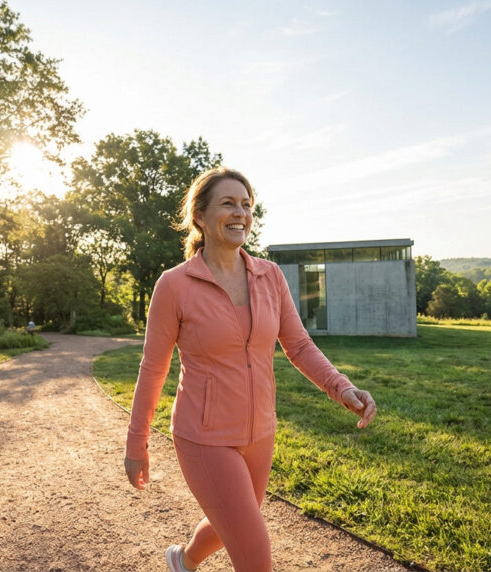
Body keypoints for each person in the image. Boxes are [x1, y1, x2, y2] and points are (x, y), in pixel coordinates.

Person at [124, 167, 377, 572]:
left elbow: (298, 344)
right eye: (228, 203)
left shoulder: (269, 275)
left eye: (246, 205)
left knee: (235, 522)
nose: (240, 212)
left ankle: (183, 561)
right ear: (200, 216)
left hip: (260, 430)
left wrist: (341, 388)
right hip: (204, 437)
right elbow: (153, 368)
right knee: (255, 554)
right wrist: (137, 443)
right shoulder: (175, 285)